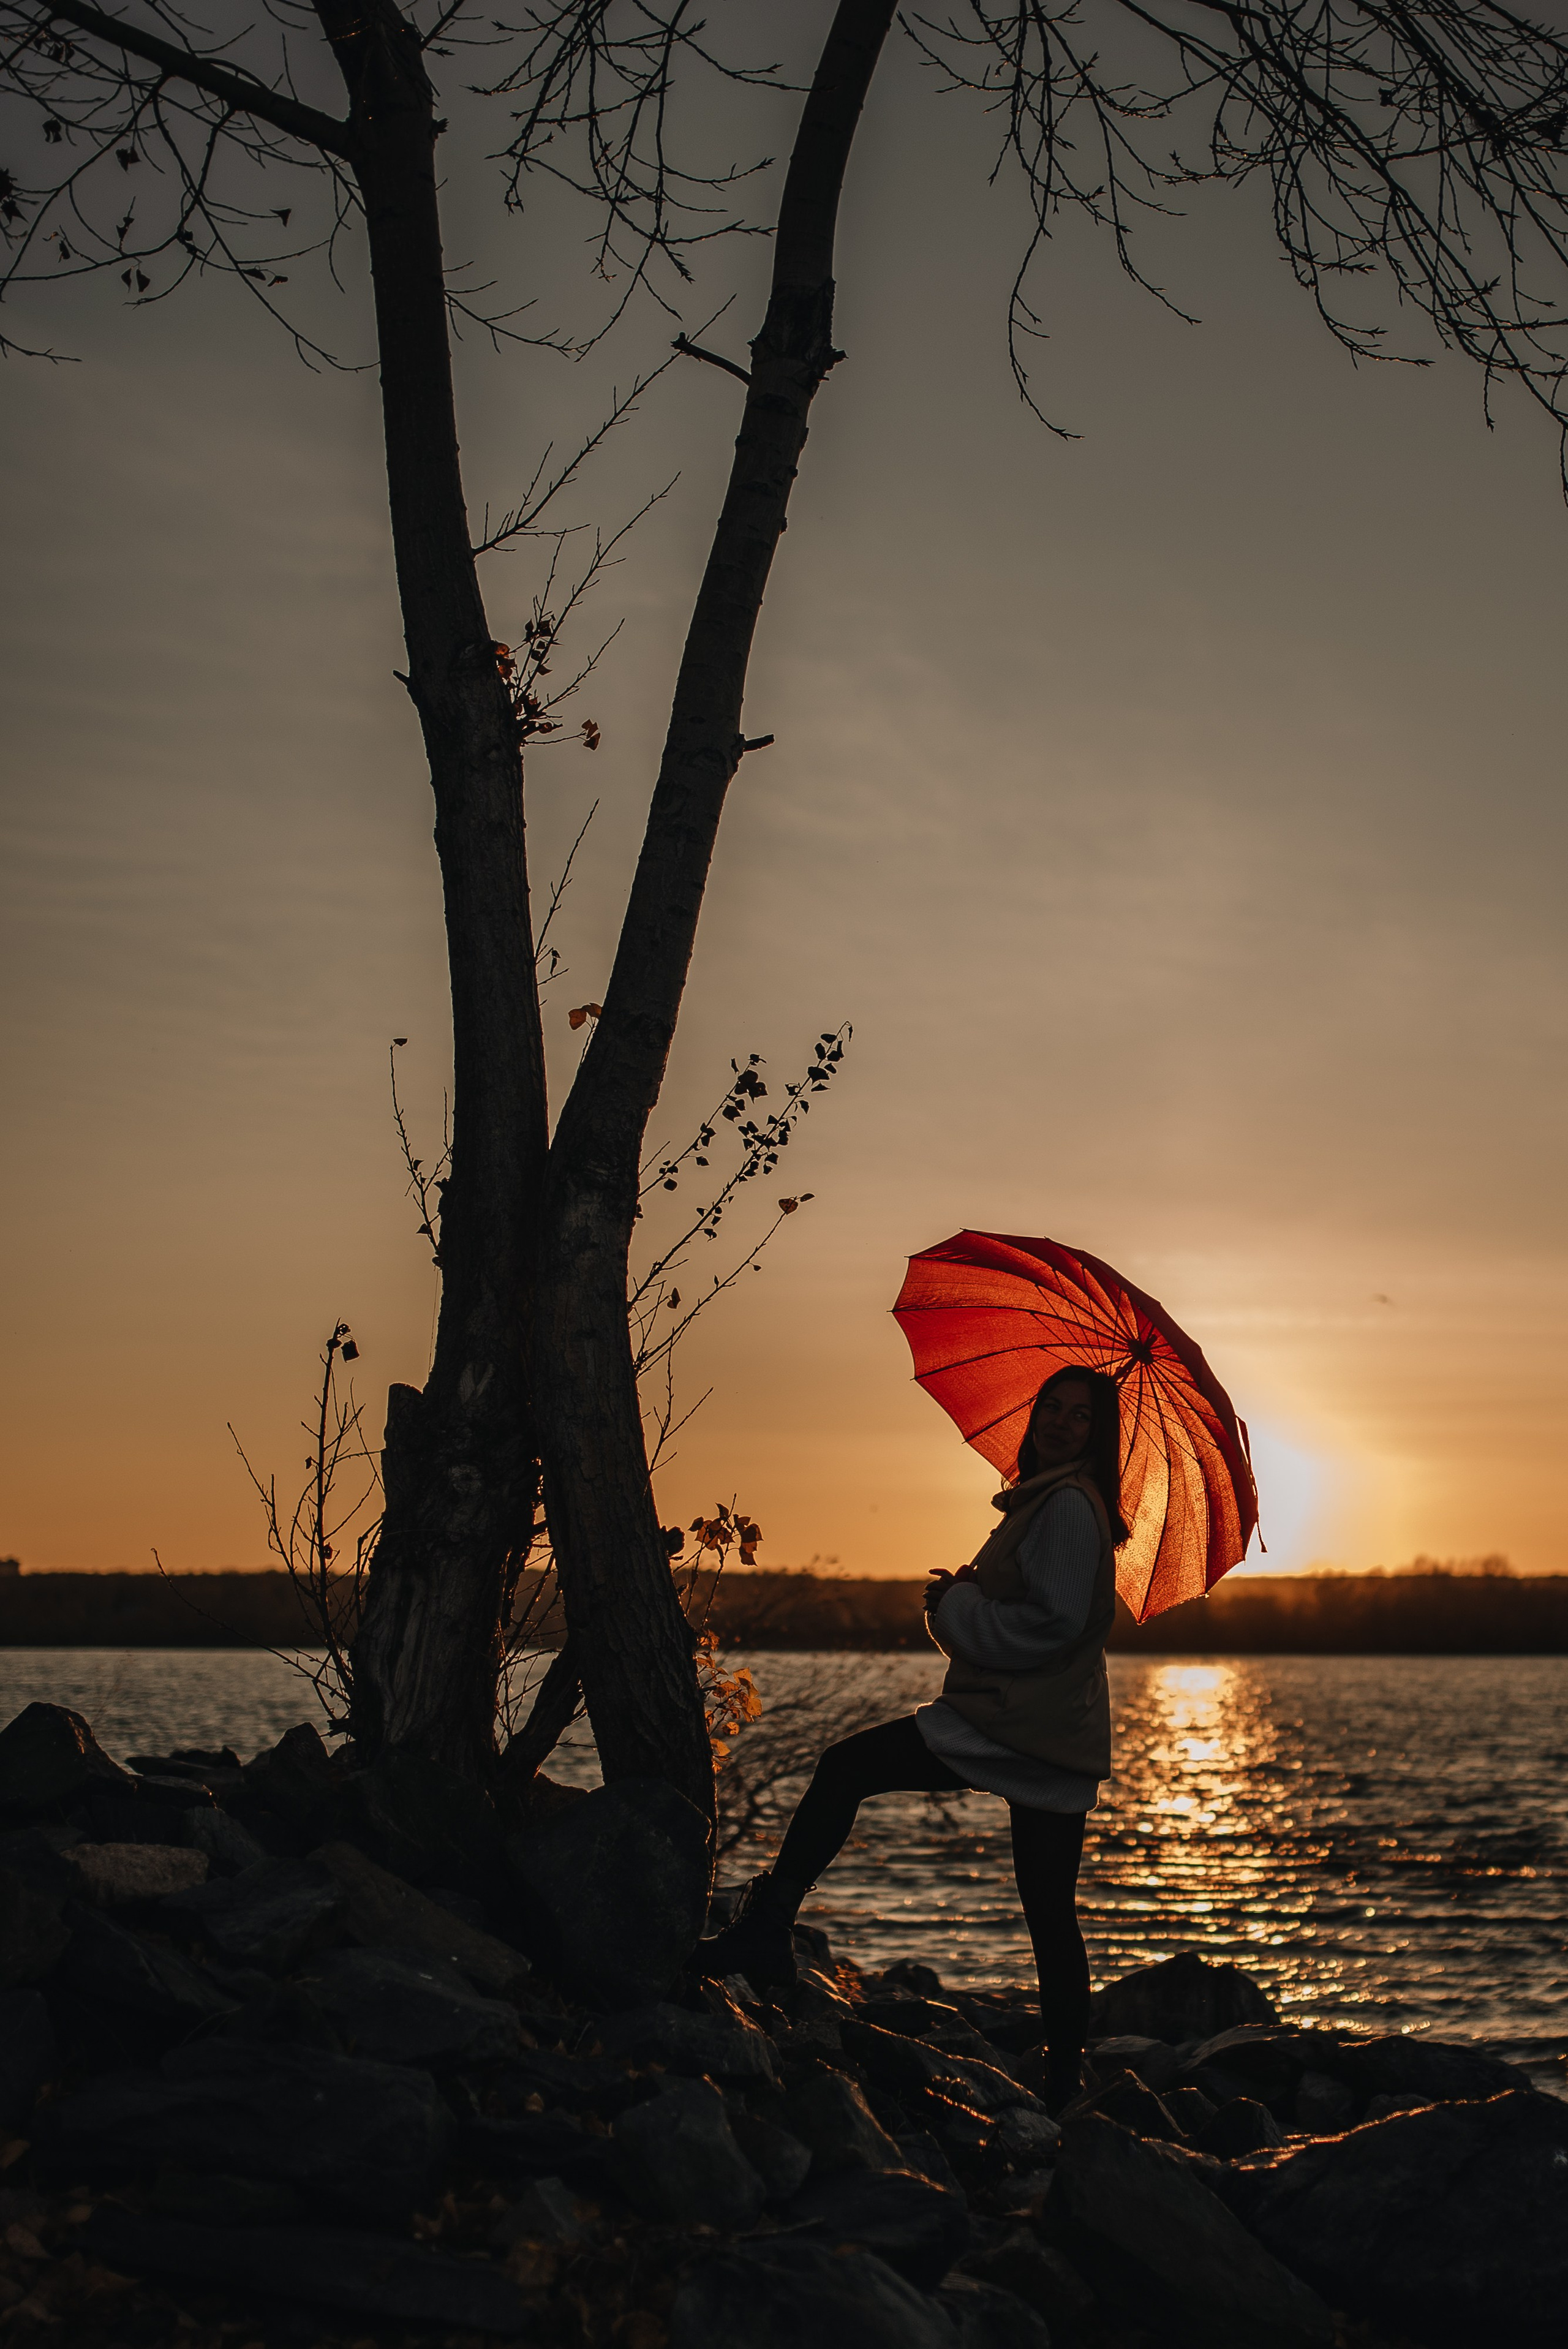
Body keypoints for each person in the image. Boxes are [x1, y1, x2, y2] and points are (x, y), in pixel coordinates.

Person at [696, 1363, 1129, 2110]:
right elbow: (1037, 1607)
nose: (1058, 1422)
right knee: (1050, 1910)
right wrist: (965, 1589)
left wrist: (958, 1608)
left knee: (846, 1767)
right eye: (1050, 1407)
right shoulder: (1050, 1501)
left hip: (1014, 1722)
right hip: (1049, 1725)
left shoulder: (1064, 1506)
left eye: (1080, 1416)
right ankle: (1063, 2081)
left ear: (1101, 1435)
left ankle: (767, 1929)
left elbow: (1050, 1623)